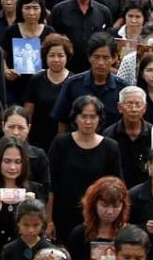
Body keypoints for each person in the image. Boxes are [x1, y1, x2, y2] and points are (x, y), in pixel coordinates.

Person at [48, 95, 123, 242]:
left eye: (93, 117)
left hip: (99, 217)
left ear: (99, 119)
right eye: (83, 116)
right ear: (75, 118)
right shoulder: (61, 143)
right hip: (63, 215)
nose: (88, 121)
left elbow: (117, 187)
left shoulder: (110, 146)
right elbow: (50, 184)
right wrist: (49, 220)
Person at [66, 176, 130, 260]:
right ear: (94, 204)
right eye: (104, 205)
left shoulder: (128, 235)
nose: (110, 212)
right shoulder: (79, 234)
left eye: (116, 206)